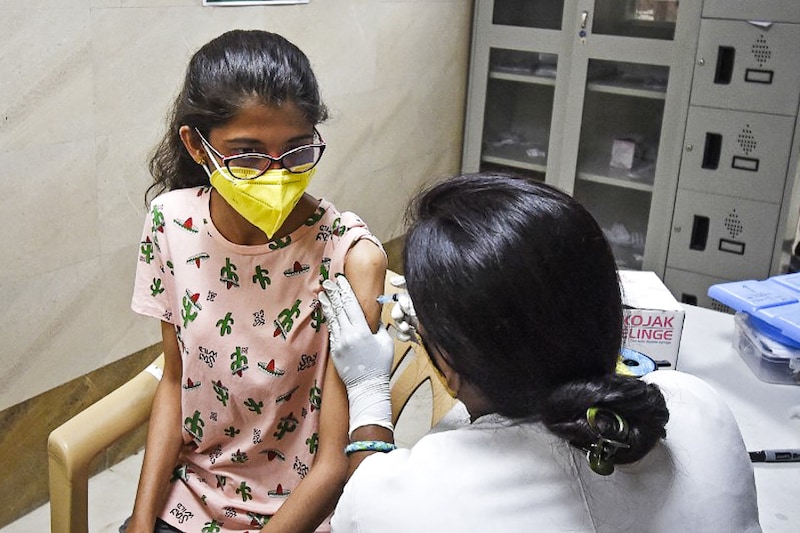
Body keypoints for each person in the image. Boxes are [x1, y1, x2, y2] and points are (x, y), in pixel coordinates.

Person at [320, 172, 761, 532]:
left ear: (450, 362)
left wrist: (367, 390)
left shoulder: (410, 498)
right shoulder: (699, 406)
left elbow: (366, 507)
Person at [128, 30, 386, 533]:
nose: (275, 175)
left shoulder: (347, 257)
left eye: (294, 152)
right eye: (246, 154)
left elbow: (333, 461)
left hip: (300, 513)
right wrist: (140, 522)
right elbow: (175, 381)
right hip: (192, 502)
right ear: (196, 146)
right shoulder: (171, 223)